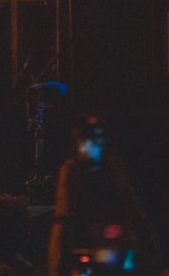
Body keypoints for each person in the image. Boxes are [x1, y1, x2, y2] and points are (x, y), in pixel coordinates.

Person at [46, 116, 162, 275]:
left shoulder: (115, 178)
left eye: (96, 140)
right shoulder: (77, 175)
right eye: (86, 141)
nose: (90, 146)